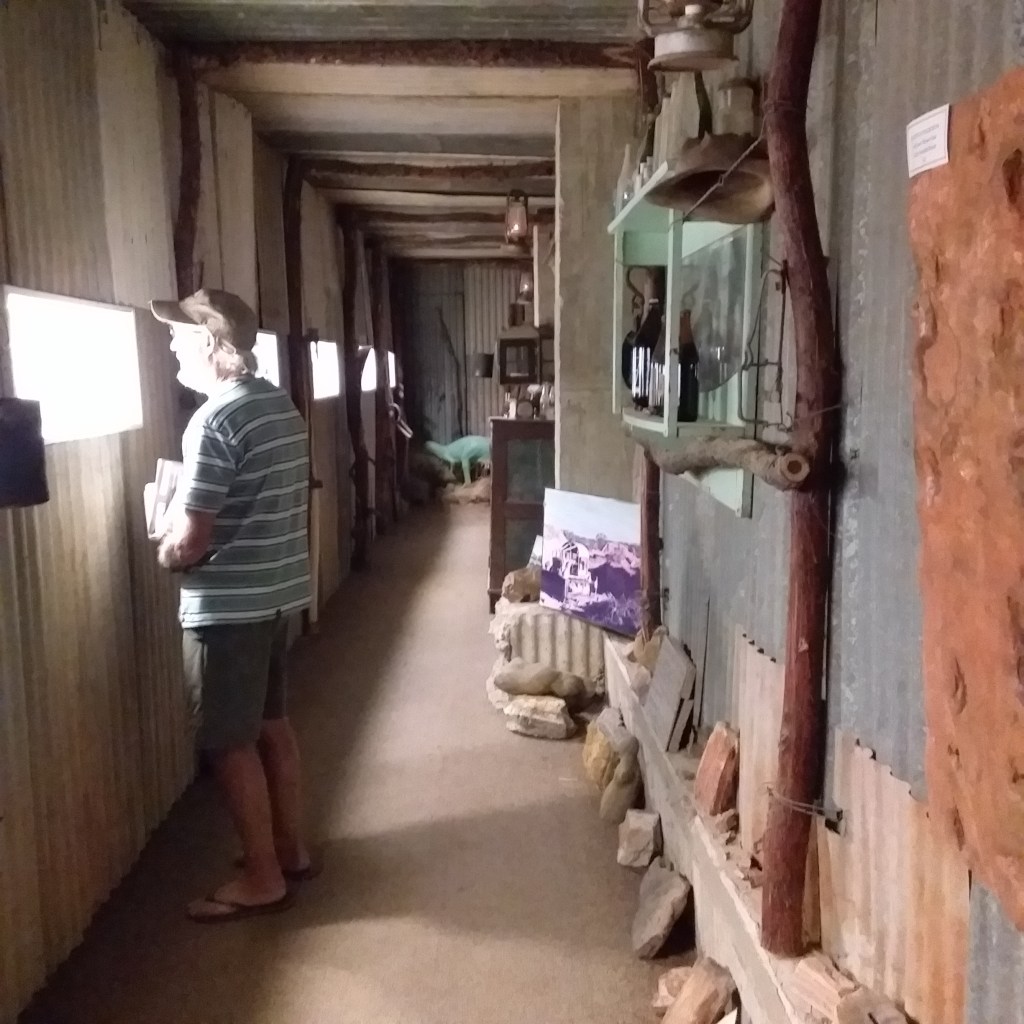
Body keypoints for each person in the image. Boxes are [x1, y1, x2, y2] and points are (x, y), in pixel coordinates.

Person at [150, 288, 315, 923]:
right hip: (275, 596)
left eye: (180, 336)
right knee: (272, 725)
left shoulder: (213, 421)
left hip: (227, 608)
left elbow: (192, 539)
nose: (172, 346)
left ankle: (263, 879)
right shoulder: (278, 405)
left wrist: (166, 549)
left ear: (211, 344)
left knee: (227, 743)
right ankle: (289, 850)